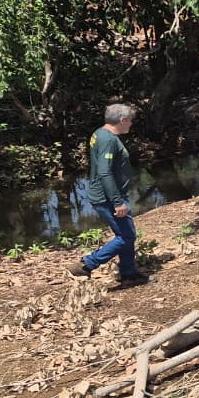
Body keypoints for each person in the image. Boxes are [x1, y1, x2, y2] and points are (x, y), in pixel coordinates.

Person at [67, 103, 150, 286]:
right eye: (130, 121)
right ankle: (86, 265)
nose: (131, 124)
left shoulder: (99, 133)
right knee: (126, 236)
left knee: (125, 234)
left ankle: (129, 274)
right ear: (122, 120)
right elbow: (105, 172)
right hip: (108, 198)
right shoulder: (108, 140)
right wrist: (117, 201)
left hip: (110, 195)